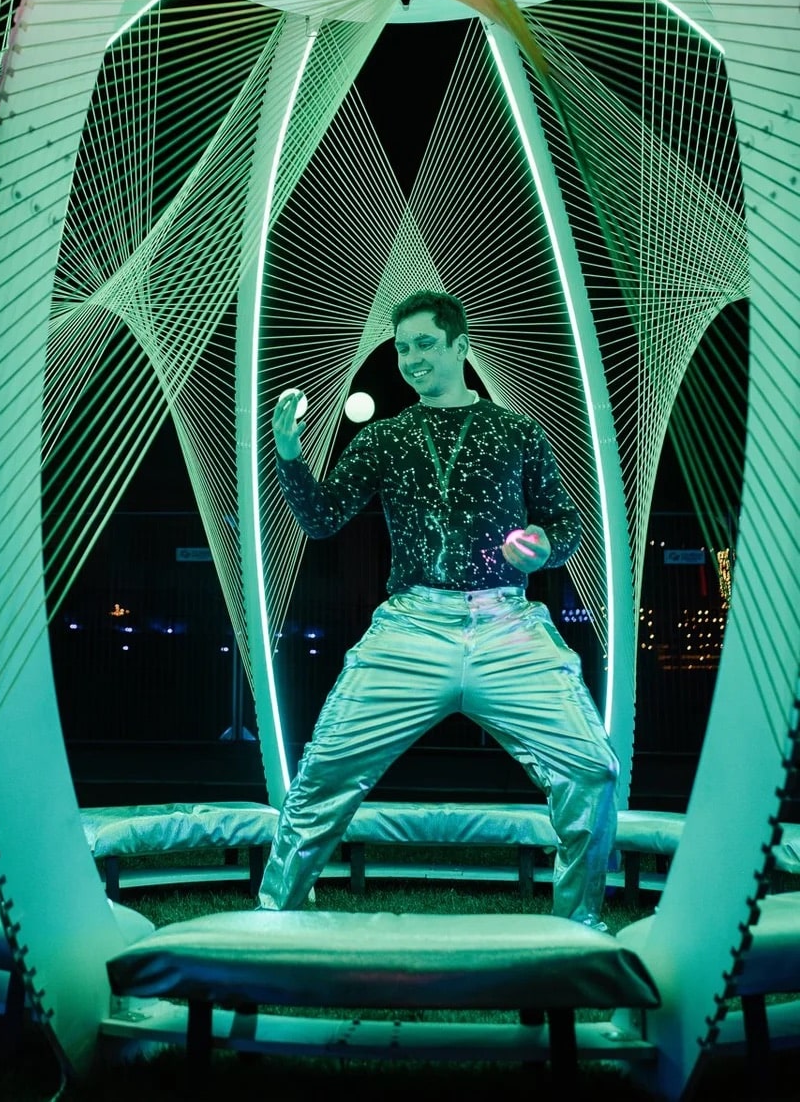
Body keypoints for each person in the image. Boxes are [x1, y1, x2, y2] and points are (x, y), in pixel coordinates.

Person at [257, 289, 618, 929]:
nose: (411, 358)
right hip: (411, 629)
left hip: (507, 624)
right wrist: (289, 457)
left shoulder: (515, 428)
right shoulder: (385, 438)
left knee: (591, 771)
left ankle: (577, 938)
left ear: (461, 344)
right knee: (321, 777)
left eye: (426, 344)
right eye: (401, 348)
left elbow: (565, 524)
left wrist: (541, 548)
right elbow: (320, 520)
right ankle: (266, 929)